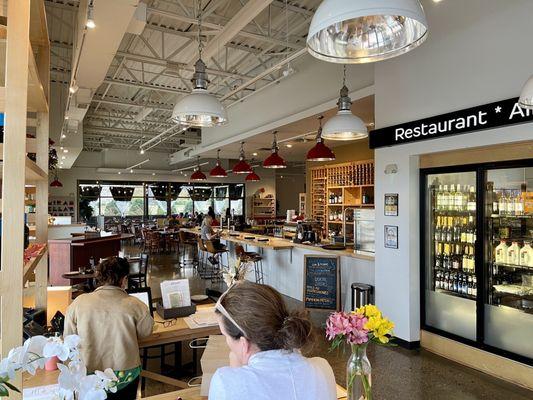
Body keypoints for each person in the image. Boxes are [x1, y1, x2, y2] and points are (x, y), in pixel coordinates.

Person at [210, 282, 337, 400]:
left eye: (225, 335)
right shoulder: (322, 369)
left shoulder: (224, 382)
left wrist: (235, 370)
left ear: (244, 343)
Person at [64, 257, 154, 399]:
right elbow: (146, 333)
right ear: (124, 280)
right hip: (125, 375)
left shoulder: (78, 303)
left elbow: (68, 339)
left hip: (89, 373)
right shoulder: (136, 304)